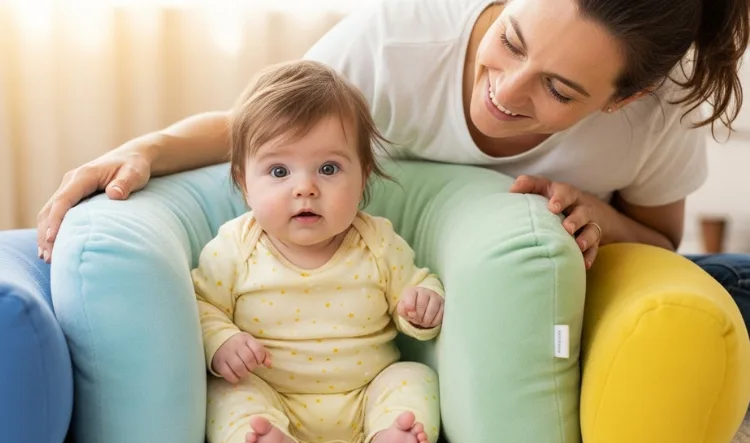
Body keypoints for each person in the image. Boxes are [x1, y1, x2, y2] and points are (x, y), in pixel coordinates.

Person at [36, 0, 749, 327]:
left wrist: (605, 218)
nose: (506, 88)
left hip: (522, 310)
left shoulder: (658, 119)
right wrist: (143, 149)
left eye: (559, 89)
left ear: (628, 96)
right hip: (365, 297)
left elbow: (661, 242)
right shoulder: (399, 41)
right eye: (512, 39)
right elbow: (258, 126)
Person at [191, 60, 445, 443]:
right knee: (224, 396)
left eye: (329, 169)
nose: (305, 187)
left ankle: (389, 439)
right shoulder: (236, 246)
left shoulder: (377, 241)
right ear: (243, 182)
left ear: (363, 176)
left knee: (413, 377)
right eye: (278, 171)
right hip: (270, 393)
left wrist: (421, 306)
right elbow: (199, 306)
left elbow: (417, 284)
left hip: (367, 391)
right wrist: (223, 341)